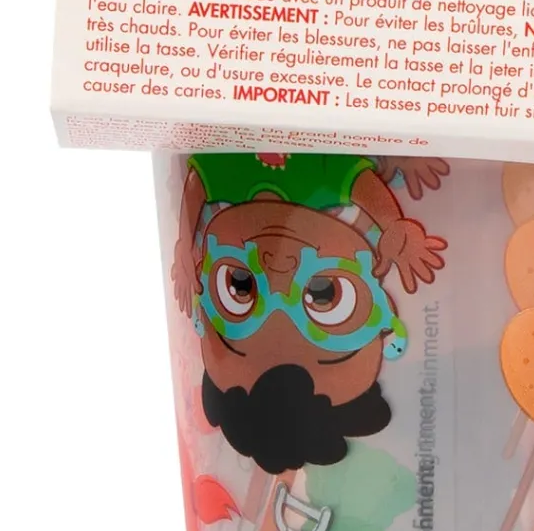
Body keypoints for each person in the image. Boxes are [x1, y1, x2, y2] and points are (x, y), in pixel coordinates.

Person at [172, 153, 447, 474]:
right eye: (323, 291)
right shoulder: (336, 199)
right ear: (385, 324)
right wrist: (393, 219)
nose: (279, 266)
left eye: (241, 285)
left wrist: (184, 244)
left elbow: (199, 179)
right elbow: (352, 176)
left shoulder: (227, 171)